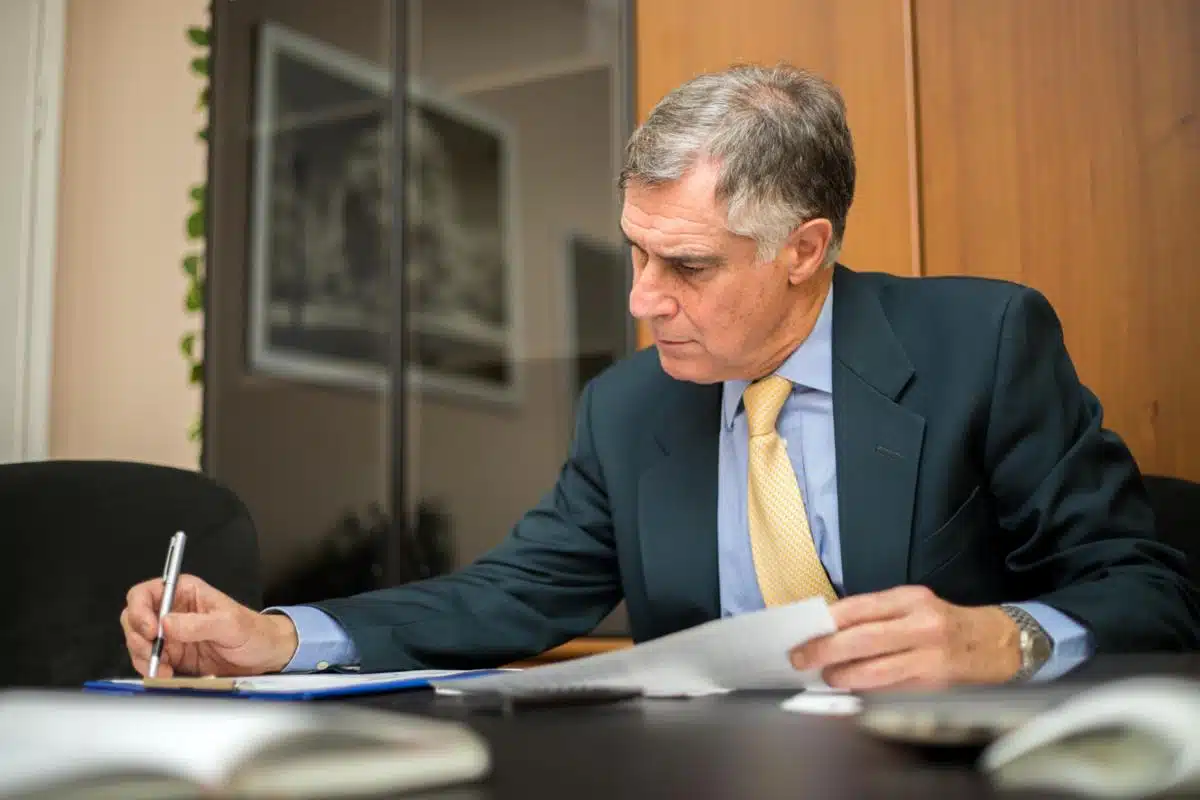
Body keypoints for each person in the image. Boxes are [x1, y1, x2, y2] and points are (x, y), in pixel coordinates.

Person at [122, 64, 1199, 691]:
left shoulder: (985, 340)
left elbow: (1150, 591)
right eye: (636, 252)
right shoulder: (630, 407)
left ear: (804, 248)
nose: (641, 299)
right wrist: (280, 635)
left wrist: (1003, 638)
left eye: (685, 265)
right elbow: (507, 596)